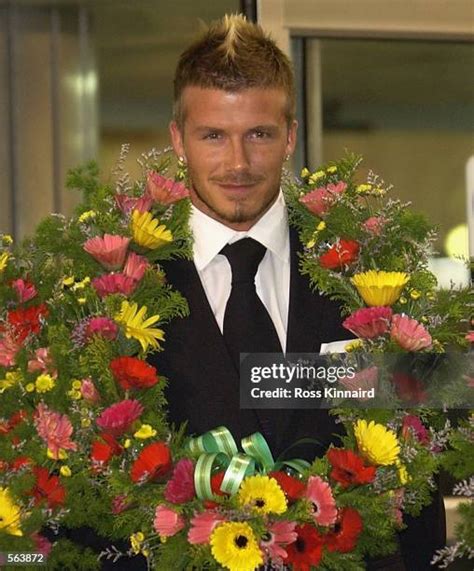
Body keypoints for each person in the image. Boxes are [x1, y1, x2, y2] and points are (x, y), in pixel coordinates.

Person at [150, 14, 446, 571]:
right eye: (213, 135)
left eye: (259, 134)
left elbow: (418, 485)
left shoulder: (371, 282)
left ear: (289, 136)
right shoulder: (115, 293)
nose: (238, 163)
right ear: (177, 140)